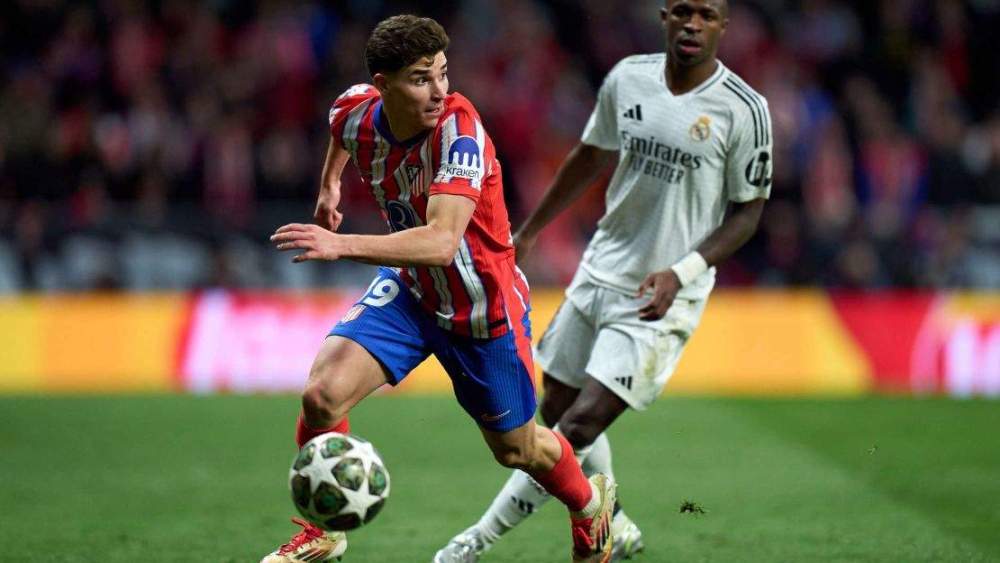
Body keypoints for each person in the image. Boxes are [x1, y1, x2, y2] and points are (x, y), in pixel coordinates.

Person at [261, 14, 615, 563]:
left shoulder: (461, 132)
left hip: (480, 308)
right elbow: (341, 127)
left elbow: (442, 242)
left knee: (518, 450)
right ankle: (323, 532)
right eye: (421, 78)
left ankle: (590, 504)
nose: (439, 90)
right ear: (384, 86)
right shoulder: (355, 111)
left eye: (443, 73)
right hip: (412, 291)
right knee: (321, 396)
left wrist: (340, 244)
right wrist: (330, 182)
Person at [434, 0, 771, 560]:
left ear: (722, 26)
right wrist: (534, 229)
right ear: (664, 17)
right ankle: (614, 518)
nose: (692, 24)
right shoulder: (628, 79)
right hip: (600, 269)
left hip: (664, 294)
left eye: (706, 15)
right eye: (683, 12)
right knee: (554, 411)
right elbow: (590, 156)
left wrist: (681, 271)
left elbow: (748, 212)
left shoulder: (745, 109)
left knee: (580, 426)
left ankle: (472, 542)